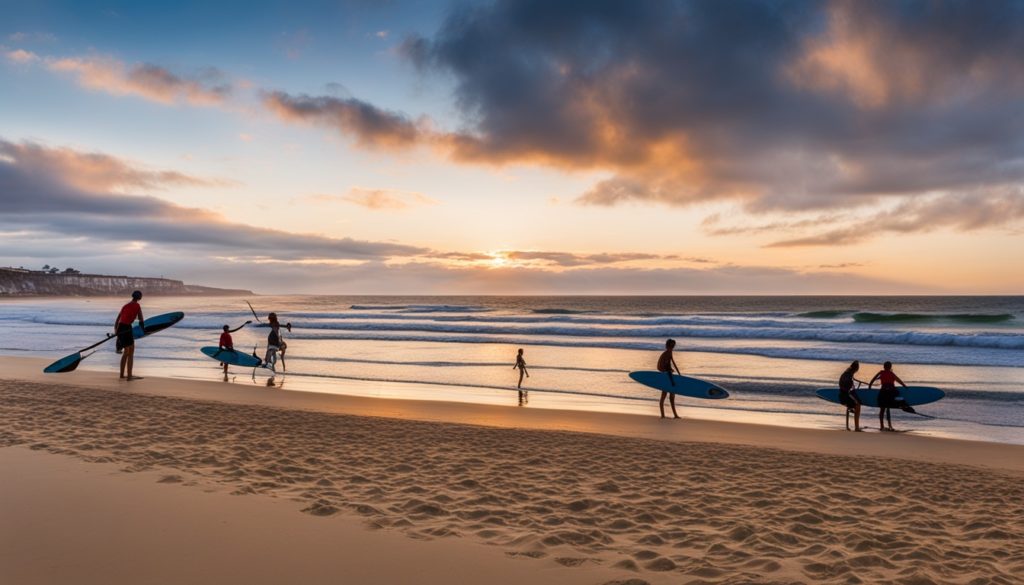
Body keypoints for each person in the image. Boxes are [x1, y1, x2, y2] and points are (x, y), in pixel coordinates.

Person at [114, 290, 145, 381]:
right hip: (127, 328)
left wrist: (116, 331)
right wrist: (143, 330)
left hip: (120, 328)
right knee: (130, 352)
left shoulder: (125, 306)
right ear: (139, 298)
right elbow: (141, 319)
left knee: (125, 352)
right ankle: (129, 376)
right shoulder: (137, 306)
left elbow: (117, 319)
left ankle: (122, 375)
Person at [869, 361, 908, 431]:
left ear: (884, 367)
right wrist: (905, 386)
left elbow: (873, 379)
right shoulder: (891, 373)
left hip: (883, 393)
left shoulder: (881, 373)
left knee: (882, 410)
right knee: (891, 406)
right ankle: (890, 425)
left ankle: (882, 426)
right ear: (890, 367)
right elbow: (899, 380)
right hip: (891, 393)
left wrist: (870, 386)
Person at [657, 338, 682, 419]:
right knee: (663, 396)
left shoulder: (670, 352)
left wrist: (679, 374)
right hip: (665, 376)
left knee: (672, 397)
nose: (672, 348)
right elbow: (660, 367)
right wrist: (668, 371)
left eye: (673, 346)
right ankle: (662, 415)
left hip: (669, 376)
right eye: (671, 346)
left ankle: (675, 415)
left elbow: (672, 363)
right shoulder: (665, 354)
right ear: (667, 346)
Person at [838, 360, 864, 431]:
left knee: (856, 404)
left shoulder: (846, 373)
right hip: (844, 396)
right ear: (856, 369)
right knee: (858, 405)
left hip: (842, 395)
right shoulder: (849, 375)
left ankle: (850, 408)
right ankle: (857, 427)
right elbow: (848, 390)